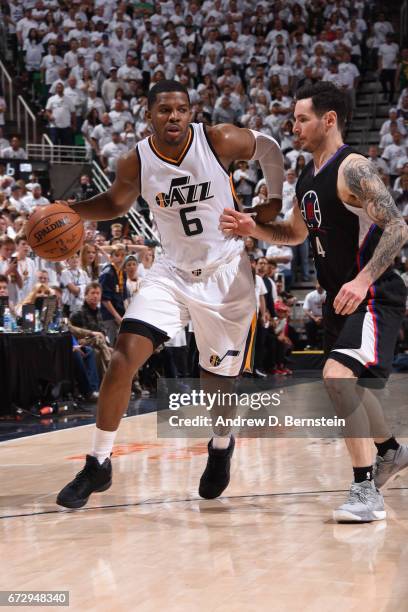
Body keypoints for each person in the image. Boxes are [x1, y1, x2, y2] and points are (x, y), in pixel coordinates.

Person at [56, 79, 284, 509]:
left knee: (216, 384)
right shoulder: (136, 160)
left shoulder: (218, 139)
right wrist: (72, 210)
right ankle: (98, 463)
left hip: (226, 276)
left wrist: (271, 199)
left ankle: (220, 446)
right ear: (149, 115)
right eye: (164, 110)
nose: (174, 117)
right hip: (172, 273)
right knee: (124, 354)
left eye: (181, 109)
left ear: (191, 112)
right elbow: (116, 203)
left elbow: (270, 148)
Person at [220, 81, 408, 524]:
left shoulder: (353, 167)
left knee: (338, 378)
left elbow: (397, 226)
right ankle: (391, 452)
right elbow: (294, 234)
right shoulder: (308, 175)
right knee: (350, 386)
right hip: (339, 298)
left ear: (329, 120)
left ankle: (365, 490)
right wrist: (253, 229)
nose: (294, 125)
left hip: (373, 293)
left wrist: (362, 280)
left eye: (302, 118)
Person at [303, 282, 326, 348]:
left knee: (330, 324)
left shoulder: (328, 295)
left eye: (321, 284)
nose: (319, 286)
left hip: (325, 317)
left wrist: (323, 317)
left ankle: (325, 345)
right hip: (314, 317)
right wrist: (314, 318)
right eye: (318, 284)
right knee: (308, 323)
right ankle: (311, 344)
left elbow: (331, 309)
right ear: (315, 285)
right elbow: (305, 309)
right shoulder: (310, 295)